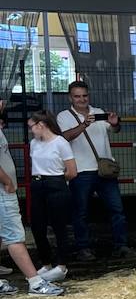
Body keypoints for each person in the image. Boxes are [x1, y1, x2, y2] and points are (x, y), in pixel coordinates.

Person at [57, 79, 131, 261]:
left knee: (117, 209)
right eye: (77, 96)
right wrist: (84, 125)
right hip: (81, 170)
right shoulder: (63, 116)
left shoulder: (99, 113)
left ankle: (121, 245)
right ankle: (83, 248)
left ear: (88, 95)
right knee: (81, 212)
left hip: (103, 169)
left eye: (84, 96)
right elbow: (64, 137)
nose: (82, 99)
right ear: (70, 98)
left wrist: (114, 123)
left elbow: (116, 130)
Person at [0, 101, 66, 296]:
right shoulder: (37, 143)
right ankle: (35, 282)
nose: (2, 102)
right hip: (3, 190)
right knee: (15, 236)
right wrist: (7, 181)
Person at [27, 110, 77, 271]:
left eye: (31, 126)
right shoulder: (34, 143)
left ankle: (61, 264)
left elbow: (72, 171)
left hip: (55, 184)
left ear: (41, 125)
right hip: (37, 184)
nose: (30, 130)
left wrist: (57, 181)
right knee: (37, 226)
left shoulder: (60, 142)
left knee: (59, 226)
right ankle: (46, 263)